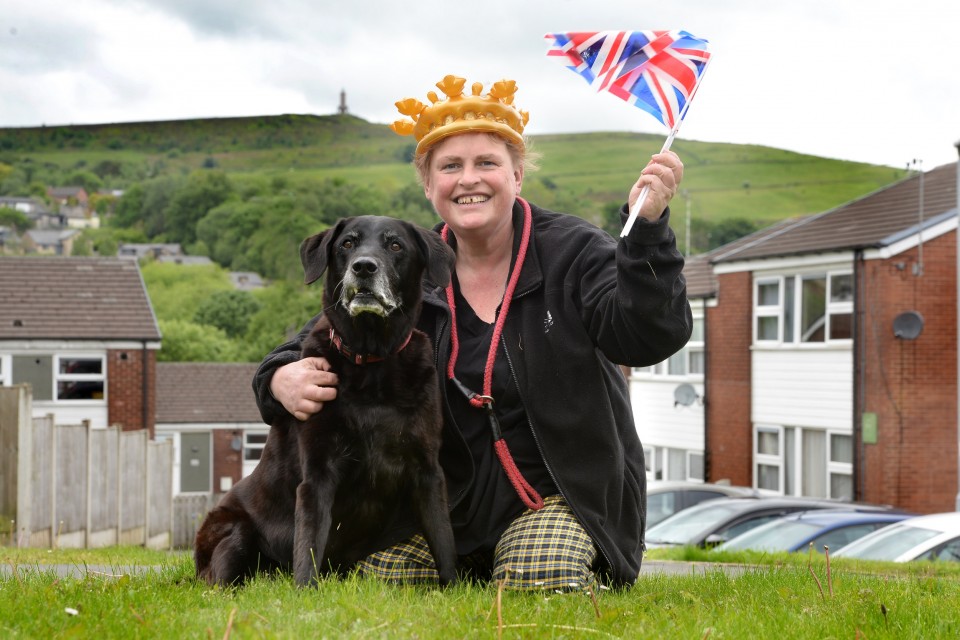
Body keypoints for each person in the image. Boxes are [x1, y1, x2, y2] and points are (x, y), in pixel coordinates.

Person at [252, 75, 691, 590]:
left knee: (538, 574)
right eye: (450, 166)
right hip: (452, 505)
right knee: (373, 581)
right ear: (428, 184)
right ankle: (479, 558)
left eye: (487, 163)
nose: (469, 180)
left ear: (517, 175)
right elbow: (324, 334)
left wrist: (648, 234)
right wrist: (278, 377)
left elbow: (645, 336)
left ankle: (540, 554)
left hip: (561, 493)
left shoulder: (574, 250)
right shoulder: (409, 262)